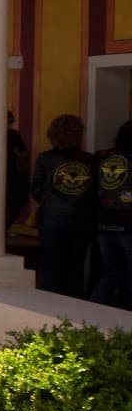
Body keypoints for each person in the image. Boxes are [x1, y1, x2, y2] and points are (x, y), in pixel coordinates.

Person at [31, 113, 95, 298]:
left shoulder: (44, 158)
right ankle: (75, 305)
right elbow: (93, 191)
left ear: (53, 134)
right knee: (76, 266)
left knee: (51, 265)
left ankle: (50, 304)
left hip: (51, 218)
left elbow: (36, 189)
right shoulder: (89, 160)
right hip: (81, 218)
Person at [89, 119, 132, 309]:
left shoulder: (105, 158)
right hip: (129, 224)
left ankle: (89, 311)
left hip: (105, 223)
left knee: (111, 275)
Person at [6, 110, 31, 230]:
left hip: (13, 184)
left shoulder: (13, 135)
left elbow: (22, 158)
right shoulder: (13, 135)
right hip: (12, 185)